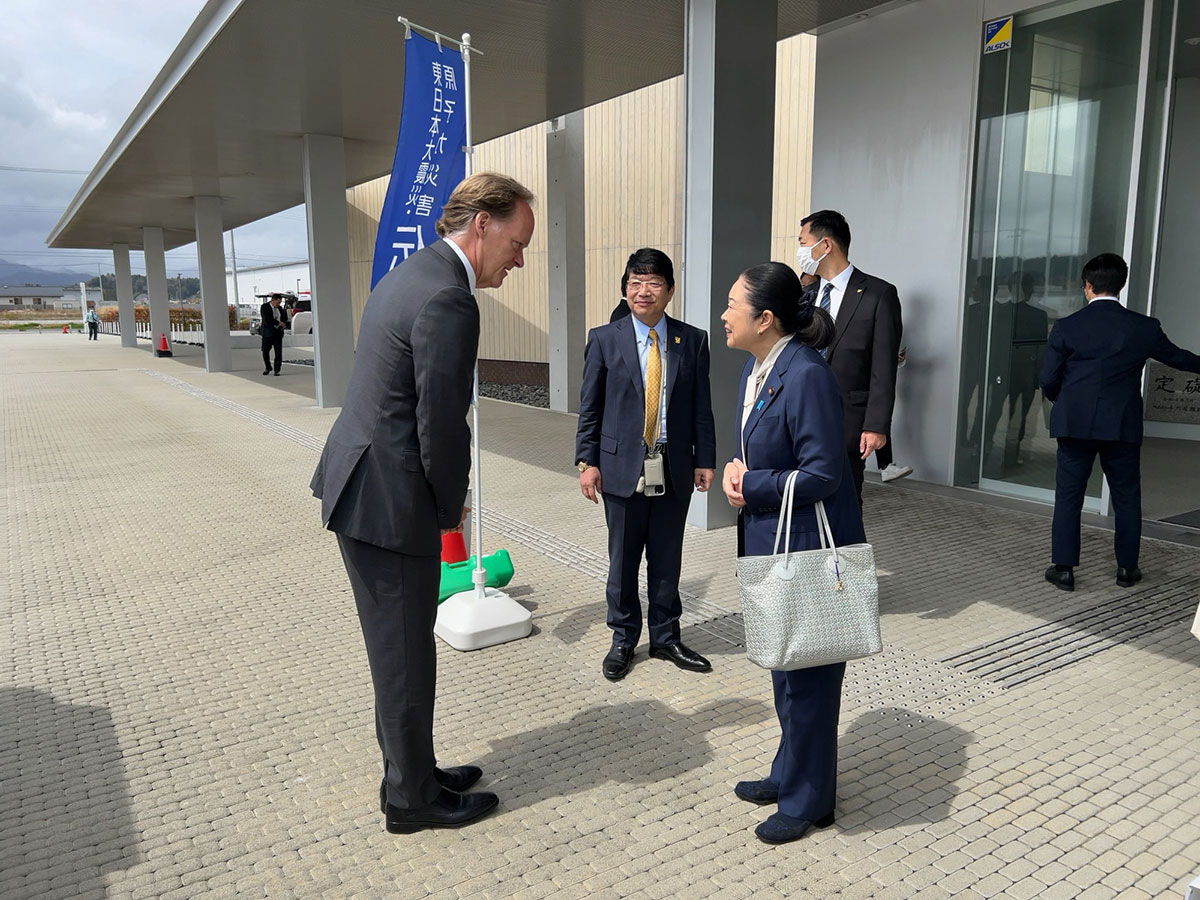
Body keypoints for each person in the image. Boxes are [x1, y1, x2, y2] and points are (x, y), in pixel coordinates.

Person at [309, 172, 535, 833]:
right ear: (483, 225)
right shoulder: (448, 300)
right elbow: (442, 421)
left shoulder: (414, 274)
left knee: (403, 652)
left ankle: (415, 771)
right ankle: (411, 802)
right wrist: (449, 511)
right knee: (405, 658)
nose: (519, 259)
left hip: (365, 488)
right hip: (388, 503)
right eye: (517, 243)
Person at [720, 261, 864, 845]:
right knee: (786, 671)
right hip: (774, 544)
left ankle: (811, 801)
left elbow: (826, 472)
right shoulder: (760, 368)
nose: (724, 313)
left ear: (766, 319)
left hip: (808, 550)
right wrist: (742, 474)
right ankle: (789, 773)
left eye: (733, 304)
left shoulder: (805, 374)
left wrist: (750, 483)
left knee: (808, 682)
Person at [575, 248, 717, 681]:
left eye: (653, 283)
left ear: (669, 291)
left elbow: (700, 407)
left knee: (666, 556)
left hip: (673, 465)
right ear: (625, 288)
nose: (643, 291)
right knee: (622, 561)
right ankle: (623, 639)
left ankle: (666, 636)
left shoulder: (691, 340)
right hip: (620, 469)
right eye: (635, 283)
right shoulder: (604, 338)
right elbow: (590, 408)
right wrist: (587, 461)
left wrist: (705, 459)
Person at [1040, 253, 1200, 592]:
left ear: (1087, 286)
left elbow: (1048, 378)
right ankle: (1127, 569)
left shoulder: (1067, 327)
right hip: (1122, 424)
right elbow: (1178, 358)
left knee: (1069, 496)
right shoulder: (1144, 327)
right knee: (1127, 497)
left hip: (1075, 424)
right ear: (1121, 285)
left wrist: (1066, 402)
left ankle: (1064, 570)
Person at [795, 210, 902, 506]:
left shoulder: (878, 294)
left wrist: (876, 425)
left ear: (825, 245)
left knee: (845, 506)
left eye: (803, 242)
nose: (800, 250)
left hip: (848, 423)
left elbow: (883, 365)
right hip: (800, 418)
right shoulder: (804, 294)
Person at [260, 293, 288, 376]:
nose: (278, 304)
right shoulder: (265, 307)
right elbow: (267, 319)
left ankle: (277, 370)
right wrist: (278, 323)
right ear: (272, 300)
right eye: (277, 302)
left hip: (277, 333)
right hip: (267, 333)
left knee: (278, 352)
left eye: (280, 302)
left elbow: (284, 318)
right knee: (265, 351)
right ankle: (268, 367)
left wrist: (283, 324)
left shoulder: (280, 308)